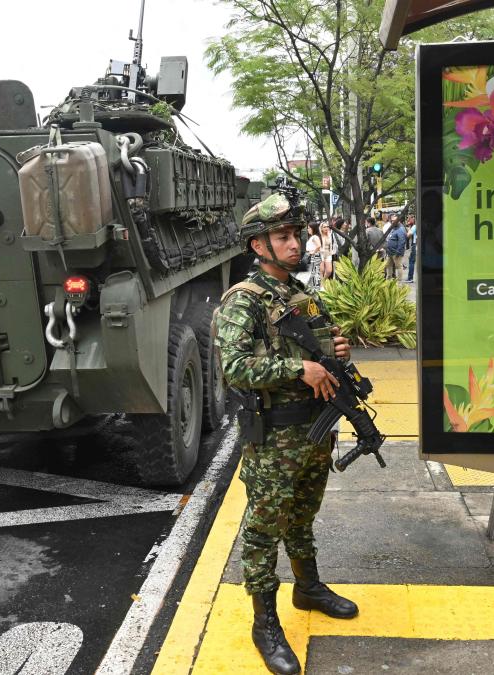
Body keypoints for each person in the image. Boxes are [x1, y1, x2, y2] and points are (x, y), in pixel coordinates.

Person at [214, 193, 358, 675]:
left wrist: (335, 350)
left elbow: (324, 349)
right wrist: (299, 368)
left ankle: (308, 587)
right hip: (274, 439)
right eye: (283, 237)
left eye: (296, 235)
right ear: (258, 245)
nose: (295, 244)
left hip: (313, 432)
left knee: (302, 515)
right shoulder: (244, 301)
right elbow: (234, 368)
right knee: (262, 530)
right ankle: (264, 623)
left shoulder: (299, 295)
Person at [305, 222, 323, 290]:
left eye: (309, 228)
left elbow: (319, 246)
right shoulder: (313, 236)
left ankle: (317, 288)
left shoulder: (314, 237)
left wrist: (313, 252)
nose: (308, 229)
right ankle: (316, 287)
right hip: (315, 256)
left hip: (315, 256)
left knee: (315, 272)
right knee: (314, 272)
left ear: (313, 228)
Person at [405, 216, 418, 283]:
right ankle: (410, 277)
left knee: (411, 262)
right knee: (411, 261)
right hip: (413, 245)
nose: (408, 222)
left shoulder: (414, 227)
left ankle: (410, 278)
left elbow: (408, 235)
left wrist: (408, 230)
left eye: (409, 220)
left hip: (413, 245)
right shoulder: (414, 226)